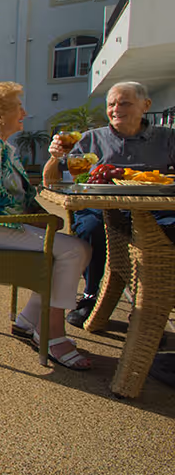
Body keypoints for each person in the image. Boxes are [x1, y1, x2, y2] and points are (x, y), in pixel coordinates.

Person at [0, 82, 92, 370]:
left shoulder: (3, 147)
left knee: (68, 248)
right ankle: (50, 332)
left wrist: (43, 218)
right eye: (18, 108)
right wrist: (35, 220)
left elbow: (23, 197)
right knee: (74, 250)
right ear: (0, 116)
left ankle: (28, 320)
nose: (24, 113)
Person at [44, 81, 175, 327]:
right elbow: (51, 180)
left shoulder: (167, 138)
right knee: (91, 229)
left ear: (145, 106)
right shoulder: (90, 140)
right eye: (111, 104)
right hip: (102, 209)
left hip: (156, 209)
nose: (116, 109)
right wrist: (54, 157)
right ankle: (91, 294)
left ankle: (155, 301)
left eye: (124, 103)